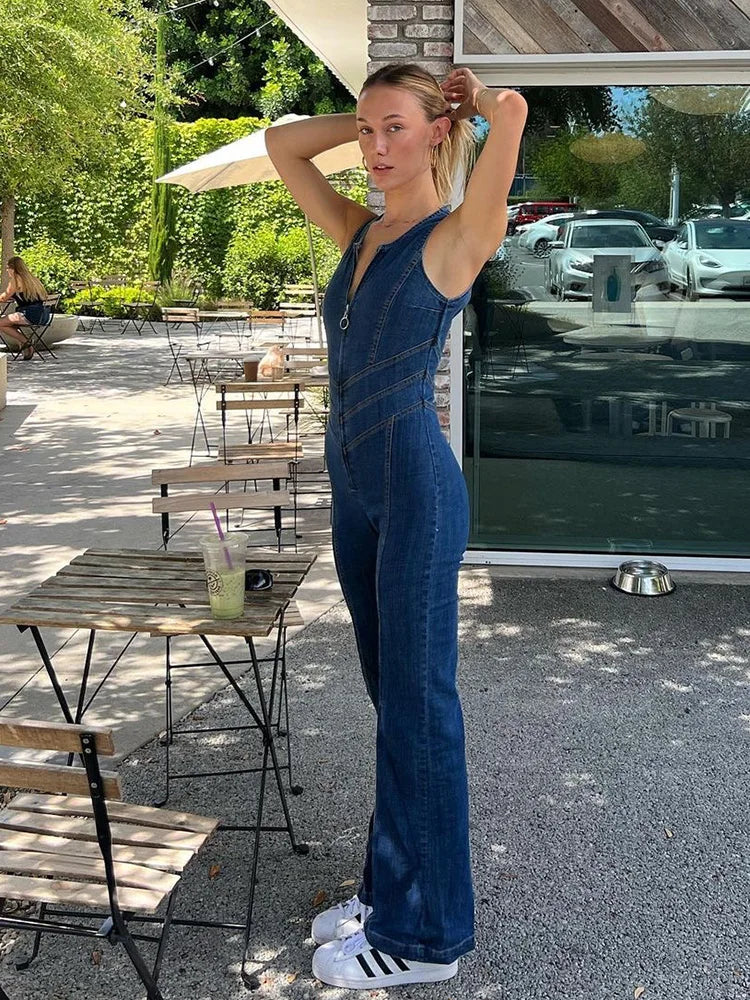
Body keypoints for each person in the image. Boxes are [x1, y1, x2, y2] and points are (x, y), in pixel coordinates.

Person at [266, 62, 527, 990]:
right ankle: (391, 891)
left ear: (436, 133)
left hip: (415, 488)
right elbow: (281, 145)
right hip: (354, 486)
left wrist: (473, 103)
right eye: (366, 131)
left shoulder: (454, 237)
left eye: (394, 130)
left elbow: (513, 115)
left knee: (421, 708)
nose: (375, 148)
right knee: (393, 703)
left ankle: (427, 939)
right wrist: (364, 114)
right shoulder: (359, 231)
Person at [0, 256, 50, 360]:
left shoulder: (15, 280)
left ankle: (26, 342)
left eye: (8, 268)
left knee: (1, 323)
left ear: (13, 269)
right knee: (10, 323)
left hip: (30, 314)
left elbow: (3, 298)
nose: (7, 270)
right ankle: (25, 346)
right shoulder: (32, 279)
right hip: (43, 315)